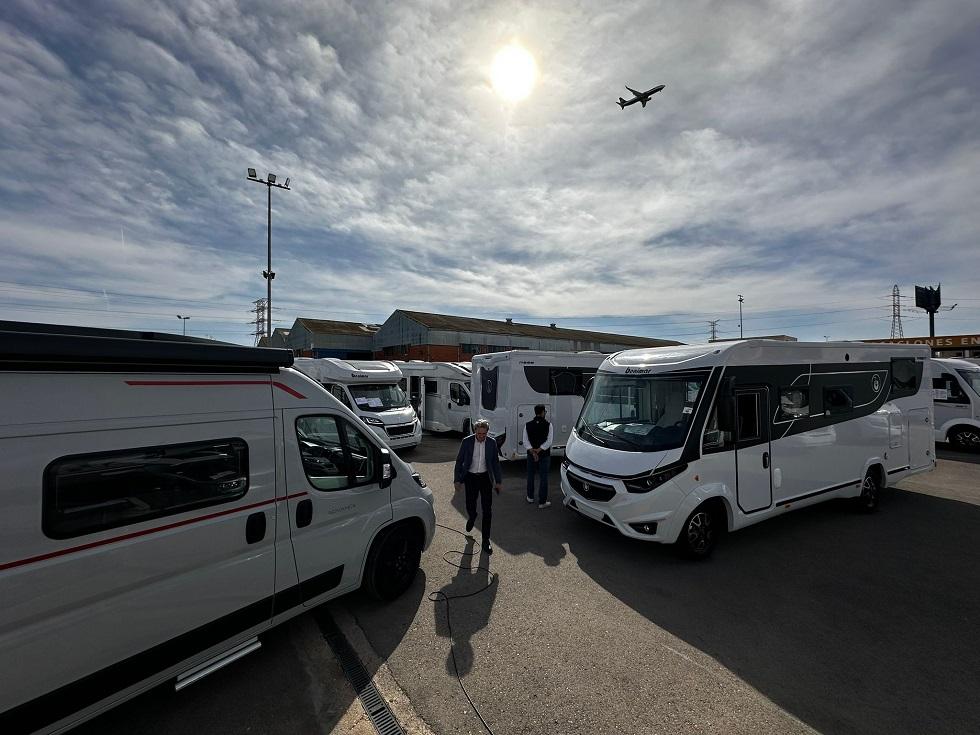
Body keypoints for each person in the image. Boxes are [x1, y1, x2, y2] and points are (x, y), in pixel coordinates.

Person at [453, 418, 503, 554]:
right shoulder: (467, 441)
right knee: (470, 504)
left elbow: (495, 463)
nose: (481, 436)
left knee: (487, 510)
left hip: (485, 478)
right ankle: (472, 516)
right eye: (479, 434)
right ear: (475, 431)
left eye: (484, 434)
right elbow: (459, 461)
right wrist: (457, 480)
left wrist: (498, 481)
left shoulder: (492, 443)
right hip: (470, 477)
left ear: (487, 432)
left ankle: (486, 540)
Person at [523, 404, 553, 508]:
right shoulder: (548, 425)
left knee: (530, 475)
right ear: (543, 412)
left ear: (535, 412)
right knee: (543, 477)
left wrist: (533, 451)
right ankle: (542, 502)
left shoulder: (527, 425)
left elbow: (525, 441)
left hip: (531, 454)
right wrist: (539, 449)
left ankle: (530, 497)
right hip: (544, 454)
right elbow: (549, 441)